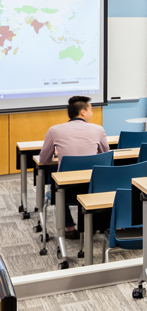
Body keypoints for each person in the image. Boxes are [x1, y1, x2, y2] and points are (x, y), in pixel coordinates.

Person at [38, 95, 110, 238]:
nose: (92, 112)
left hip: (66, 191)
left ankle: (69, 227)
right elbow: (106, 156)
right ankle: (90, 225)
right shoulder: (98, 129)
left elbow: (44, 159)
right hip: (93, 187)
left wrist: (59, 153)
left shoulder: (54, 130)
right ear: (83, 112)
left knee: (58, 177)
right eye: (91, 109)